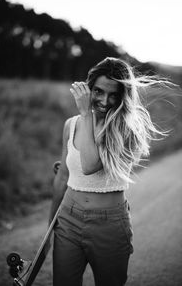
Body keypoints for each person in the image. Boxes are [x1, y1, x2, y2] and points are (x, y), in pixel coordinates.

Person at [49, 57, 168, 286]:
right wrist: (49, 228)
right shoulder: (70, 125)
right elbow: (63, 176)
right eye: (98, 91)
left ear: (123, 97)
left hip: (109, 225)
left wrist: (86, 115)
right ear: (88, 88)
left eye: (113, 94)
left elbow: (90, 165)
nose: (105, 101)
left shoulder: (126, 129)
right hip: (68, 218)